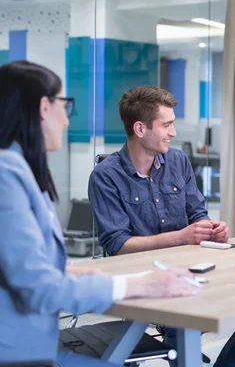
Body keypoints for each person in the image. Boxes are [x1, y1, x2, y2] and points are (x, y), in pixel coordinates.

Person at [0, 61, 200, 366]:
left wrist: (79, 271)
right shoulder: (6, 176)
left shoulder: (21, 171)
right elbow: (38, 287)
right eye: (64, 105)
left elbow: (29, 264)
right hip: (21, 353)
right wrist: (137, 285)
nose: (67, 122)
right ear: (43, 107)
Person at [87, 86, 235, 367]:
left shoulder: (177, 161)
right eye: (166, 125)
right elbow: (117, 246)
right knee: (183, 319)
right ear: (140, 129)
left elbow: (198, 213)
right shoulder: (106, 177)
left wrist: (209, 229)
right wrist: (181, 237)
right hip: (142, 276)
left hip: (192, 267)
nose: (173, 132)